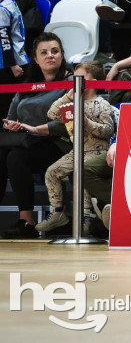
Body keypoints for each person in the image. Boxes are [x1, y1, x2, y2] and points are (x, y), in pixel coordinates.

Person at [25, 61, 115, 233]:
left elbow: (108, 130)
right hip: (77, 150)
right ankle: (57, 213)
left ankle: (87, 215)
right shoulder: (72, 102)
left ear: (93, 82)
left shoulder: (102, 104)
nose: (76, 81)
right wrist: (69, 95)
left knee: (84, 172)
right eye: (75, 78)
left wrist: (87, 122)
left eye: (81, 78)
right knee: (52, 172)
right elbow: (52, 114)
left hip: (97, 151)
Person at [0, 33, 71, 238]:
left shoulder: (70, 84)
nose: (50, 56)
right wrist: (12, 125)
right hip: (25, 140)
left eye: (55, 51)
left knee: (15, 157)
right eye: (44, 52)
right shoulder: (28, 85)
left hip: (58, 143)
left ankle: (27, 221)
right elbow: (12, 116)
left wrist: (34, 129)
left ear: (62, 55)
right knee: (4, 155)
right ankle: (26, 222)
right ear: (35, 59)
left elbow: (68, 123)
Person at [0, 0, 30, 81]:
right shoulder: (12, 3)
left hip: (9, 65)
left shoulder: (3, 8)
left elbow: (5, 39)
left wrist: (11, 65)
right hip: (18, 60)